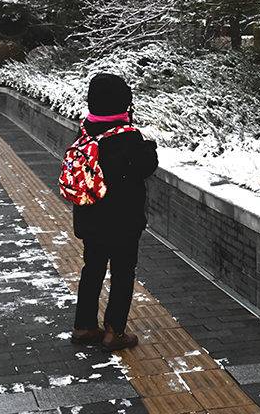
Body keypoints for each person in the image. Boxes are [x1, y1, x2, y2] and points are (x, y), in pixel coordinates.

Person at [70, 73, 158, 351]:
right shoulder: (128, 137)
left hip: (91, 218)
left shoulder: (85, 132)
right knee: (122, 273)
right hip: (123, 222)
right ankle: (114, 331)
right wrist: (149, 145)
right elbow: (145, 167)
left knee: (92, 270)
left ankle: (84, 326)